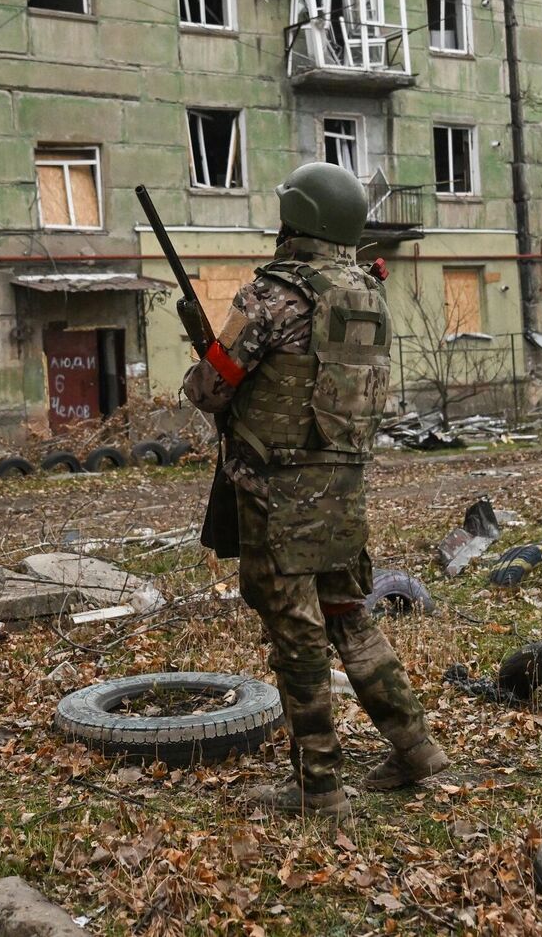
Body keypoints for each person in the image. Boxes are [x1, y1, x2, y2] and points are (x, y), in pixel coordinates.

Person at [182, 161, 448, 822]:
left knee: (296, 632)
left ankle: (320, 786)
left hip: (276, 486)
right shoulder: (367, 289)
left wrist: (201, 367)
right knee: (348, 614)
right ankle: (416, 747)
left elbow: (213, 388)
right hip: (342, 481)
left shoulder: (274, 293)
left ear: (297, 217)